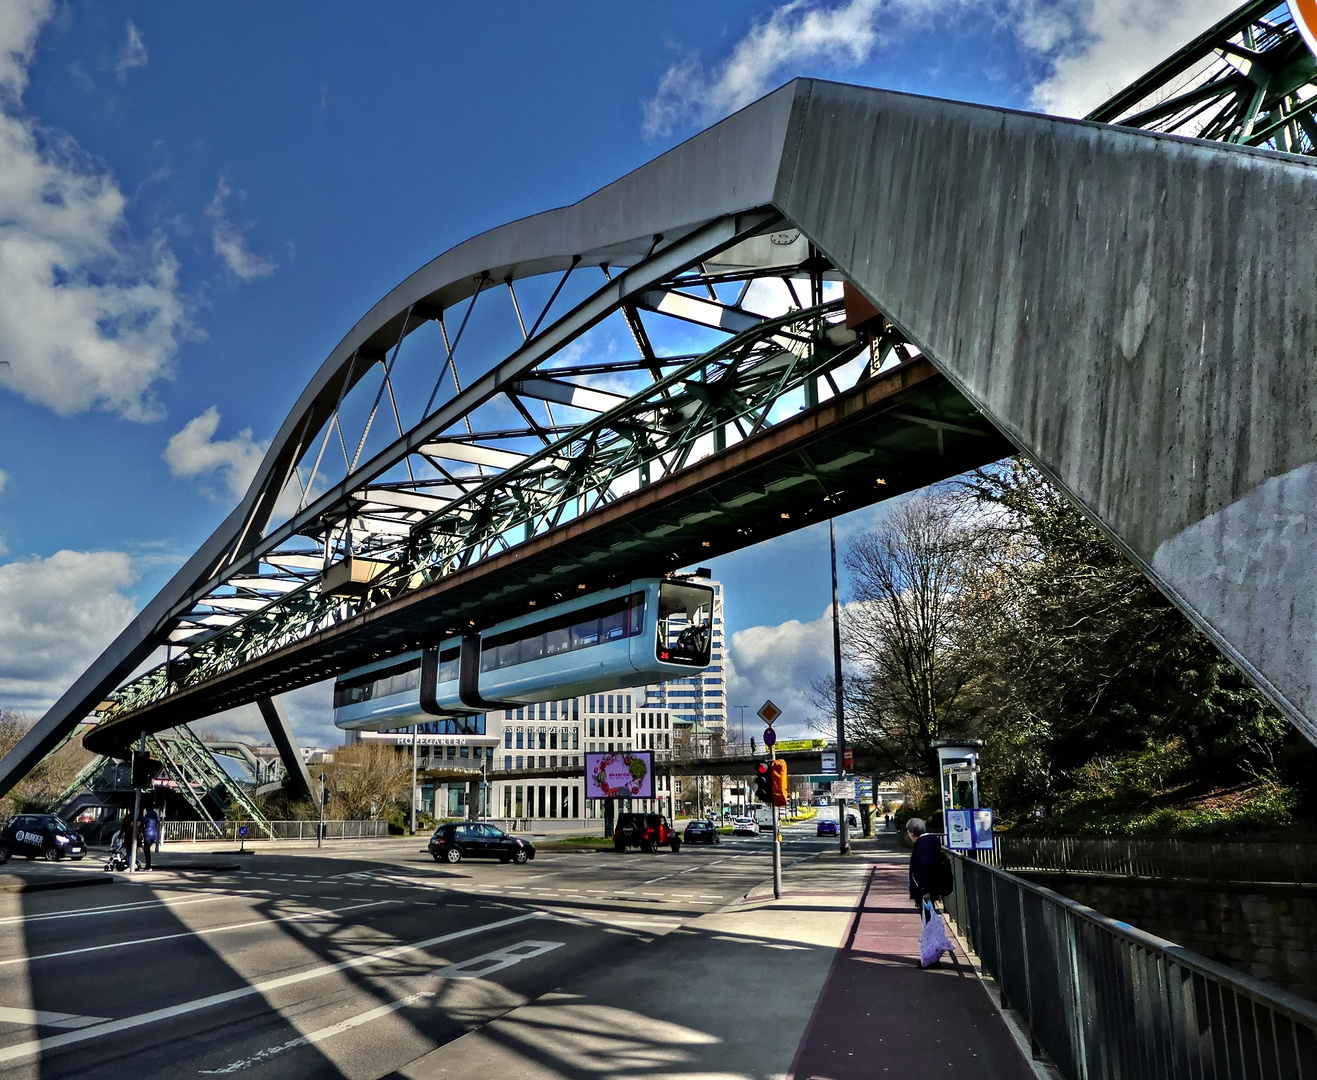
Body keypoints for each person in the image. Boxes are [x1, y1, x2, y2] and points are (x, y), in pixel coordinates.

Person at [907, 817, 941, 923]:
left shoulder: (922, 845)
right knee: (928, 918)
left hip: (925, 889)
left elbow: (926, 866)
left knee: (928, 919)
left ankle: (931, 939)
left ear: (912, 833)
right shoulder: (929, 842)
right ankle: (930, 938)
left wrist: (925, 890)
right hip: (928, 887)